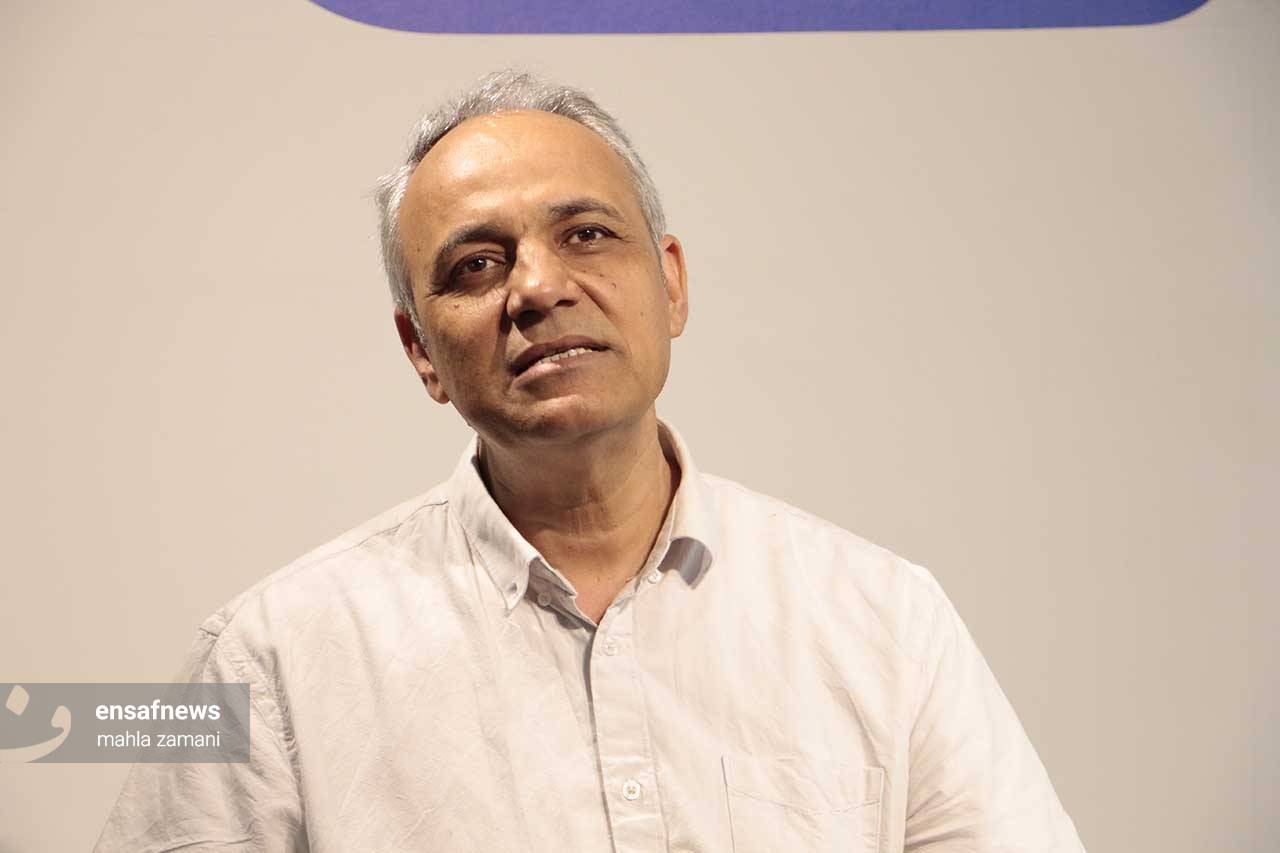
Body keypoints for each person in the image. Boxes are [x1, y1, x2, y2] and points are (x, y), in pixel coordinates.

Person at [95, 70, 1086, 852]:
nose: (537, 287)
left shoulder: (883, 620)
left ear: (671, 285)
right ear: (420, 351)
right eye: (476, 265)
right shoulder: (271, 660)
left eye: (586, 234)